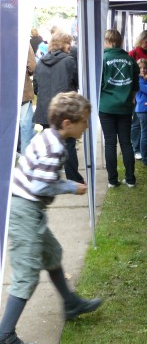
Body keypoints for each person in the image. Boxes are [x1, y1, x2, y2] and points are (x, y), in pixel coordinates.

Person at [0, 92, 102, 344]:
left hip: (27, 208)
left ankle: (70, 304)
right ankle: (5, 334)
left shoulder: (48, 135)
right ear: (68, 123)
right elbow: (41, 187)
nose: (87, 126)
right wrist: (70, 186)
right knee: (27, 274)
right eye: (84, 121)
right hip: (24, 209)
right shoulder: (54, 146)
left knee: (52, 253)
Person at [32, 31, 83, 184]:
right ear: (64, 44)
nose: (71, 46)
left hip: (45, 110)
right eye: (69, 43)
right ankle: (74, 179)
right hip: (64, 110)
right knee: (68, 144)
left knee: (49, 146)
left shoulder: (40, 62)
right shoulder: (69, 61)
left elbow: (36, 87)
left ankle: (48, 178)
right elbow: (78, 82)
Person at [99, 30, 139, 188]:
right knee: (126, 142)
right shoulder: (129, 59)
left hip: (106, 106)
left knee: (110, 143)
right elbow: (135, 85)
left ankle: (112, 180)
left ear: (107, 41)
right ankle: (130, 179)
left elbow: (99, 84)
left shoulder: (103, 59)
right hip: (125, 106)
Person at [129, 30, 147, 160]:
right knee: (136, 122)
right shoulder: (133, 53)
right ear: (140, 40)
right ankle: (136, 148)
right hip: (139, 93)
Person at [19, 45, 37, 154]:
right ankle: (26, 162)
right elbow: (33, 67)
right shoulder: (22, 39)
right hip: (21, 91)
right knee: (26, 128)